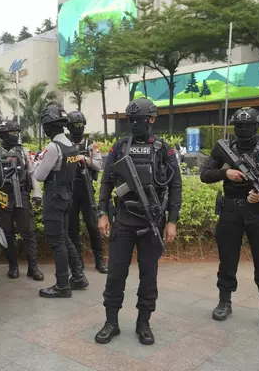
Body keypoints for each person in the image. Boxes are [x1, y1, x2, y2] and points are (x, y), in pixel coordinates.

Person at [94, 98, 182, 346]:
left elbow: (175, 186)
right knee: (115, 275)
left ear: (151, 120)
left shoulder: (163, 149)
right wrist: (102, 212)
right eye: (131, 121)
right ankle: (111, 322)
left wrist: (172, 220)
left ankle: (143, 324)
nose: (135, 124)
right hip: (123, 220)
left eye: (139, 120)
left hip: (152, 221)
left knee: (148, 276)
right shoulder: (120, 147)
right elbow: (107, 181)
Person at [200, 107, 259, 333]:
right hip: (230, 211)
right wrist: (224, 173)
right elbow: (204, 175)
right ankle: (224, 301)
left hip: (258, 212)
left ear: (257, 126)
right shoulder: (224, 150)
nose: (243, 129)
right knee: (227, 260)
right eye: (239, 125)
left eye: (247, 125)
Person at [33, 102, 89, 298]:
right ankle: (78, 276)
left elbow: (39, 176)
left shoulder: (53, 147)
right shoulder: (71, 146)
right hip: (67, 197)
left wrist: (36, 164)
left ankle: (62, 284)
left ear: (49, 126)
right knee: (65, 238)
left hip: (54, 198)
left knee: (57, 242)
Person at [0, 121, 44, 280]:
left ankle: (33, 267)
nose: (16, 135)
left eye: (17, 132)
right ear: (3, 134)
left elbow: (33, 174)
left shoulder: (24, 152)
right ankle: (13, 267)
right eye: (13, 132)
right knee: (7, 234)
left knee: (28, 232)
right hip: (2, 197)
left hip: (22, 195)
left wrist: (37, 193)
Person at [66, 111, 108, 274]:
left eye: (80, 125)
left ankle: (100, 260)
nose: (78, 128)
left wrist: (85, 159)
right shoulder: (65, 144)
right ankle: (78, 262)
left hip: (86, 189)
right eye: (75, 125)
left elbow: (99, 165)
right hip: (70, 190)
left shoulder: (91, 145)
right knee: (72, 228)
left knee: (92, 226)